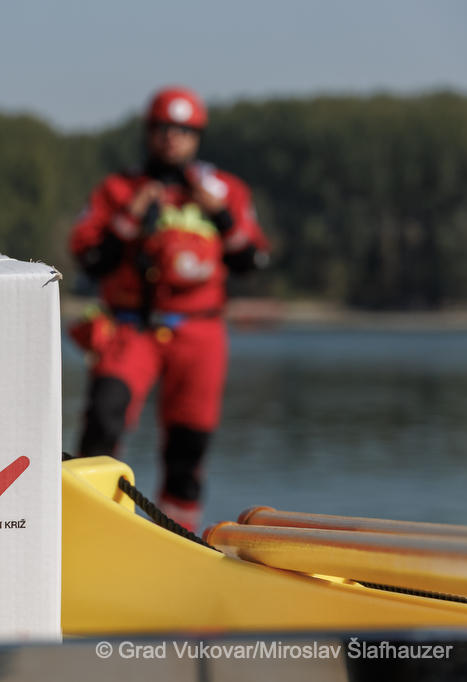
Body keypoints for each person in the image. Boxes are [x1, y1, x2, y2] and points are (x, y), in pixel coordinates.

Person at [69, 86, 271, 532]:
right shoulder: (119, 189)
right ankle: (86, 524)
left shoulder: (225, 191)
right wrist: (130, 216)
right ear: (148, 132)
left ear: (197, 136)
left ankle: (178, 537)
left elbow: (252, 261)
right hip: (132, 327)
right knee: (102, 422)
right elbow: (90, 258)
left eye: (183, 130)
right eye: (163, 128)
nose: (172, 138)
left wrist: (221, 216)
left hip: (199, 333)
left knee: (188, 448)